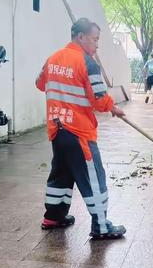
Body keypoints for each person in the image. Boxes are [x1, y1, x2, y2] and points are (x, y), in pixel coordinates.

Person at [35, 18, 126, 240]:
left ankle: (53, 217)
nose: (97, 45)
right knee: (94, 178)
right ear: (81, 37)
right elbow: (98, 99)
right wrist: (112, 107)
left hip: (57, 130)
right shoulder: (87, 63)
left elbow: (40, 84)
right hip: (79, 132)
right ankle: (101, 226)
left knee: (61, 175)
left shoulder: (52, 59)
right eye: (95, 40)